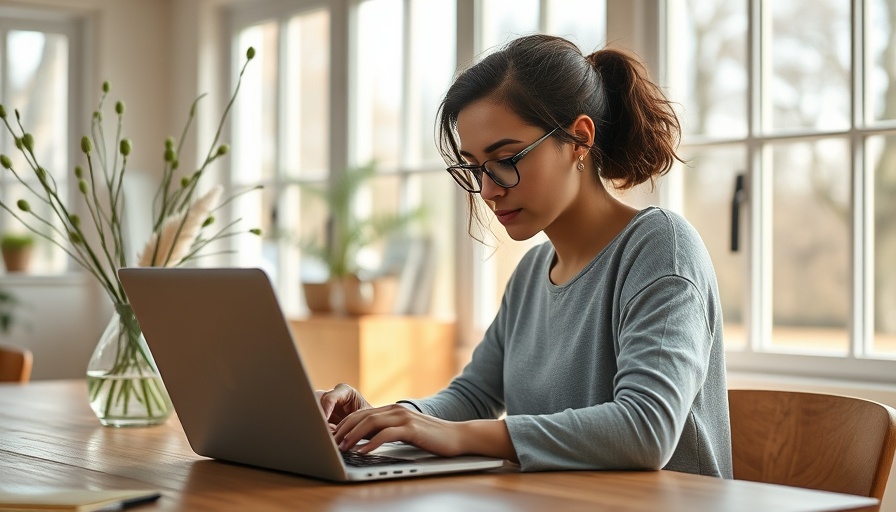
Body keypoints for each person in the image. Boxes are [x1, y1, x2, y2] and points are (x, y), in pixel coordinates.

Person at [317, 34, 732, 478]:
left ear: (579, 139)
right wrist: (389, 419)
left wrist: (458, 435)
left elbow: (646, 430)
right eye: (475, 167)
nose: (490, 189)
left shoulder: (659, 248)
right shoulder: (533, 272)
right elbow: (474, 396)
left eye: (507, 158)